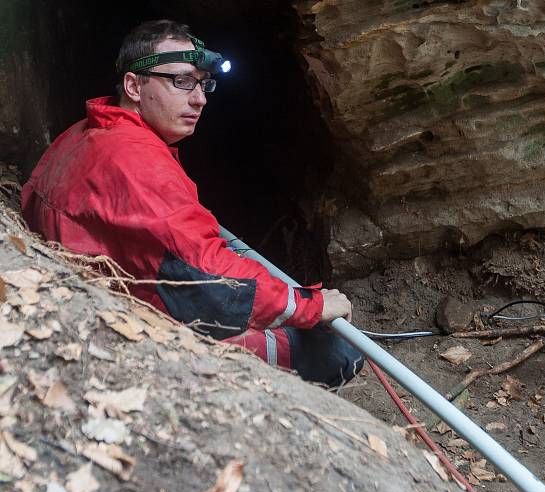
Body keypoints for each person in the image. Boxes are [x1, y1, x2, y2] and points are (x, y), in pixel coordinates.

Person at [21, 20, 363, 387]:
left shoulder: (82, 132)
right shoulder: (136, 160)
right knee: (340, 352)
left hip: (102, 299)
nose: (199, 98)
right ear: (134, 86)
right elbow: (208, 278)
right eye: (181, 81)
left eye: (203, 84)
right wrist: (310, 304)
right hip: (139, 328)